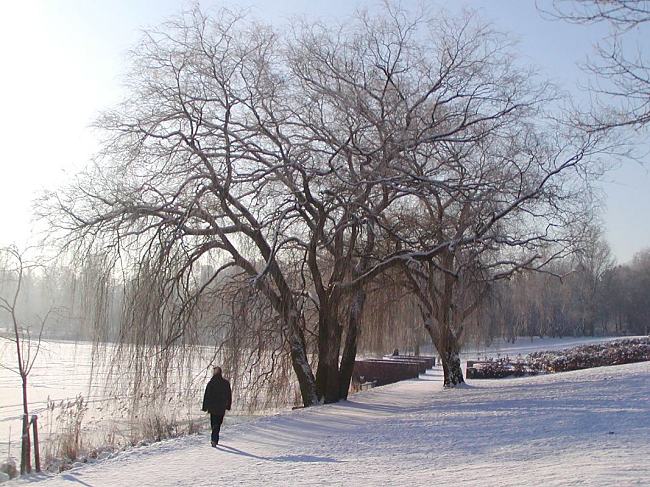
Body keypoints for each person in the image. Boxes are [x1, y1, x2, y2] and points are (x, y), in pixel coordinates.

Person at [202, 366, 232, 447]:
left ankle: (214, 439)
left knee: (214, 423)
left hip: (212, 407)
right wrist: (228, 405)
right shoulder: (226, 383)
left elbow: (206, 396)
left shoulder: (211, 383)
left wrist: (205, 407)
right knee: (218, 423)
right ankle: (214, 439)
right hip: (221, 407)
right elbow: (229, 395)